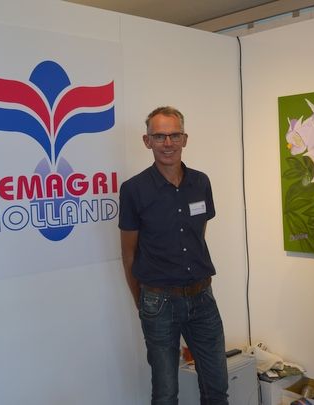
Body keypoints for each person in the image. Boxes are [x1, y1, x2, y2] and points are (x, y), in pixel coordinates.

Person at [119, 106, 229, 405]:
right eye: (159, 136)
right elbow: (128, 255)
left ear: (185, 138)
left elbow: (197, 234)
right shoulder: (133, 189)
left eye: (174, 135)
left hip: (202, 299)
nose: (168, 143)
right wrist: (142, 302)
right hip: (158, 303)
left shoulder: (201, 182)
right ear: (147, 141)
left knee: (217, 388)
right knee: (166, 393)